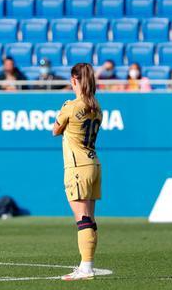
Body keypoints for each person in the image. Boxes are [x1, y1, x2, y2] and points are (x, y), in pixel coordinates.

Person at [52, 63, 103, 281]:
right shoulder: (96, 106)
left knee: (82, 219)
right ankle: (86, 264)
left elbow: (55, 130)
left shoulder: (71, 106)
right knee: (89, 218)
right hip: (93, 164)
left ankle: (86, 268)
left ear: (74, 80)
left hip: (77, 167)